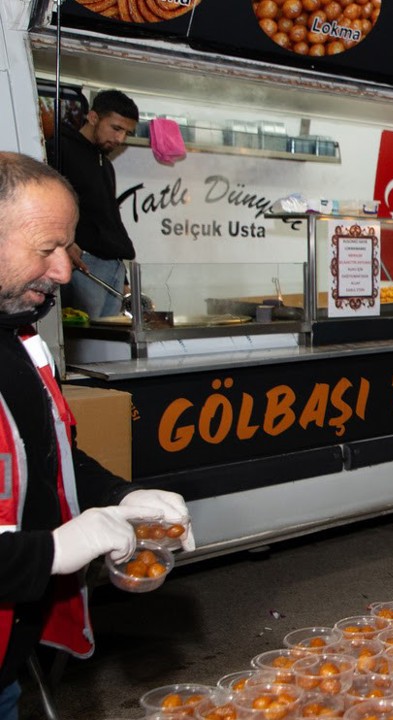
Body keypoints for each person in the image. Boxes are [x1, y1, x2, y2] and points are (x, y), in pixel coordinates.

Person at [0, 151, 191, 720]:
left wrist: (118, 496)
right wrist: (50, 551)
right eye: (45, 250)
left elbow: (47, 454)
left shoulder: (18, 338)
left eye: (68, 246)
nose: (64, 271)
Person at [47, 89, 139, 319]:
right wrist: (63, 243)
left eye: (127, 133)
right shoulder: (59, 149)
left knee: (106, 346)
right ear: (93, 117)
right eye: (116, 128)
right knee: (84, 346)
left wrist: (124, 279)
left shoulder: (105, 164)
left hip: (113, 268)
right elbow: (44, 207)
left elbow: (109, 221)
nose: (120, 139)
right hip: (83, 267)